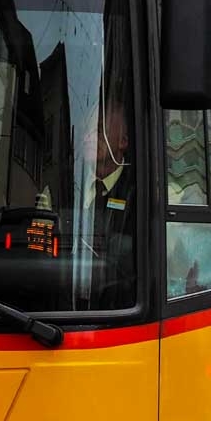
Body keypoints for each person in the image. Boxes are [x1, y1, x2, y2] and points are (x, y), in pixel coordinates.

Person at [84, 98, 136, 305]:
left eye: (98, 130)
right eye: (85, 130)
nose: (88, 136)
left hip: (120, 307)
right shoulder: (56, 186)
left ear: (123, 141)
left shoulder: (142, 192)